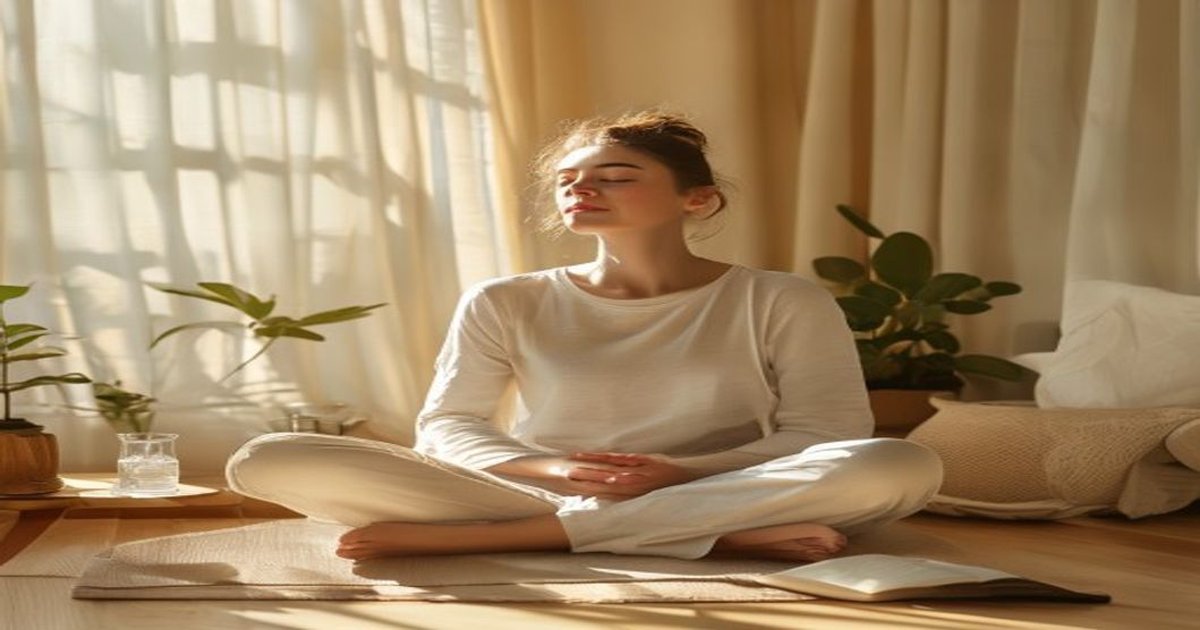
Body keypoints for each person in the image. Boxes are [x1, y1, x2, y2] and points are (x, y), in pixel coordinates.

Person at [225, 111, 943, 563]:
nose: (580, 189)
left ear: (697, 199)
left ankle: (531, 542)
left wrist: (678, 472)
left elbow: (827, 433)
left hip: (716, 483)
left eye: (614, 176)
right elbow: (448, 427)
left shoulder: (781, 298)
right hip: (543, 490)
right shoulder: (505, 300)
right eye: (568, 180)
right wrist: (557, 473)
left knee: (898, 465)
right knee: (269, 459)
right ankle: (713, 540)